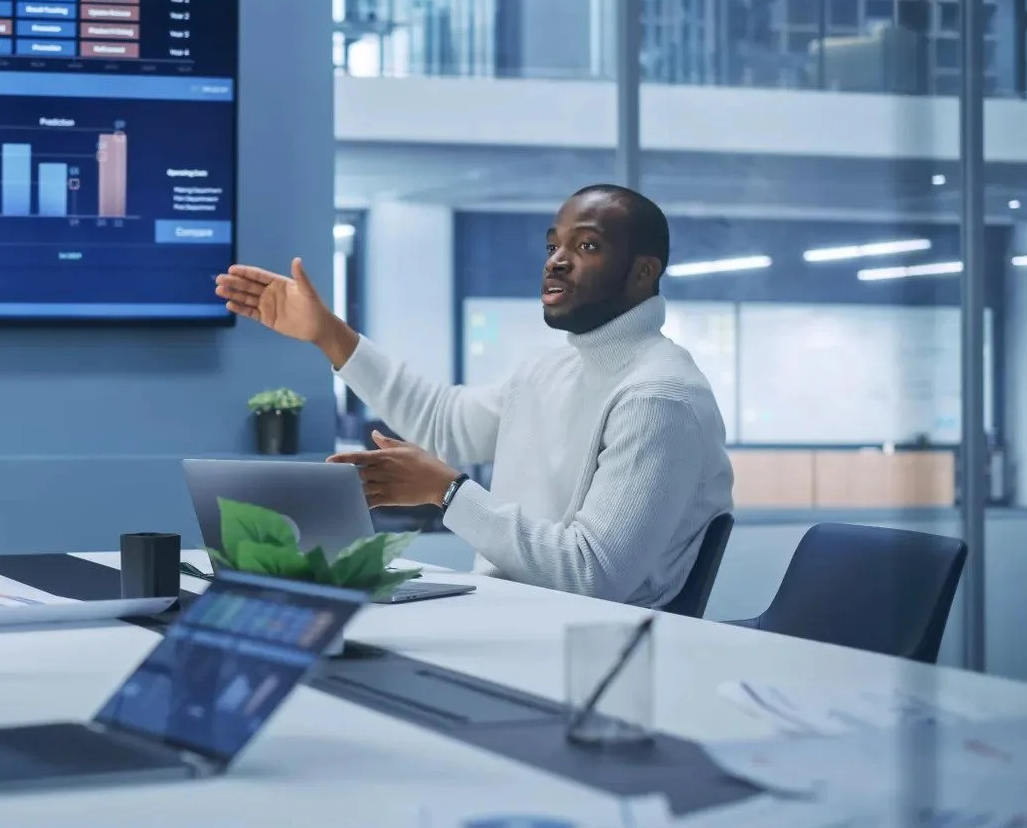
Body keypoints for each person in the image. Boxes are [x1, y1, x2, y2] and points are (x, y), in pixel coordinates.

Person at [215, 184, 732, 608]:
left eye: (586, 246)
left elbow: (591, 575)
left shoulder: (660, 399)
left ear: (644, 272)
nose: (556, 262)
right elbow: (445, 424)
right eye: (553, 246)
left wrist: (448, 493)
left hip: (593, 654)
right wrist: (328, 334)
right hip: (511, 618)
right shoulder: (548, 370)